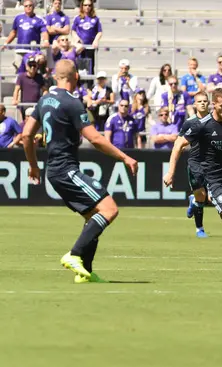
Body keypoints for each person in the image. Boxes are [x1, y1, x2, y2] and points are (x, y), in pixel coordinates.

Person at [21, 59, 138, 283]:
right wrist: (124, 157)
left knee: (93, 216)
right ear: (75, 77)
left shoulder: (44, 100)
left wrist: (33, 165)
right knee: (109, 210)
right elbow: (94, 138)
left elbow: (26, 135)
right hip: (66, 169)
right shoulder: (72, 103)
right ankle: (74, 255)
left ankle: (85, 272)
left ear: (56, 77)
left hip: (53, 170)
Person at [163, 89, 222, 261]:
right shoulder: (201, 125)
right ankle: (205, 199)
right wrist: (170, 172)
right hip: (215, 180)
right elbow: (178, 145)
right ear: (213, 104)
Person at [163, 92, 211, 238]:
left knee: (210, 199)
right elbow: (178, 144)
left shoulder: (215, 120)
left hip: (212, 164)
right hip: (195, 163)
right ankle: (199, 229)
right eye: (199, 101)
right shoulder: (190, 123)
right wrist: (170, 172)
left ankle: (193, 200)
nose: (202, 103)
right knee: (201, 196)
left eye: (205, 101)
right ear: (194, 105)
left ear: (209, 103)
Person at [1, 0, 49, 68]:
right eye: (26, 6)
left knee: (32, 71)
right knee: (19, 71)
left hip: (33, 50)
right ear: (23, 7)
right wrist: (6, 43)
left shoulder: (39, 19)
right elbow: (13, 32)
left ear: (33, 6)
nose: (28, 7)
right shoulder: (18, 17)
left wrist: (46, 41)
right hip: (20, 50)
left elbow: (44, 32)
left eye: (30, 5)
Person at [71, 0, 102, 74]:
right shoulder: (78, 18)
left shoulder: (95, 19)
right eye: (85, 5)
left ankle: (89, 84)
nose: (87, 7)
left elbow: (99, 32)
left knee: (90, 67)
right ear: (82, 6)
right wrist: (76, 38)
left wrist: (96, 40)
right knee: (80, 66)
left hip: (90, 47)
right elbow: (73, 30)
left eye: (89, 5)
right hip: (80, 48)